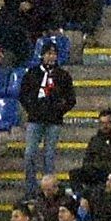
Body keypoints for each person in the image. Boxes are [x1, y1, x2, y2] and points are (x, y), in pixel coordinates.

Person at [19, 41, 76, 194]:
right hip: (35, 119)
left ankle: (48, 189)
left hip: (54, 121)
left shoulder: (63, 76)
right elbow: (23, 95)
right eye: (48, 53)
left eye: (54, 54)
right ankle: (31, 188)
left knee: (49, 156)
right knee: (30, 153)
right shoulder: (32, 74)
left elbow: (71, 99)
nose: (51, 57)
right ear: (42, 55)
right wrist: (32, 109)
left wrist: (59, 110)